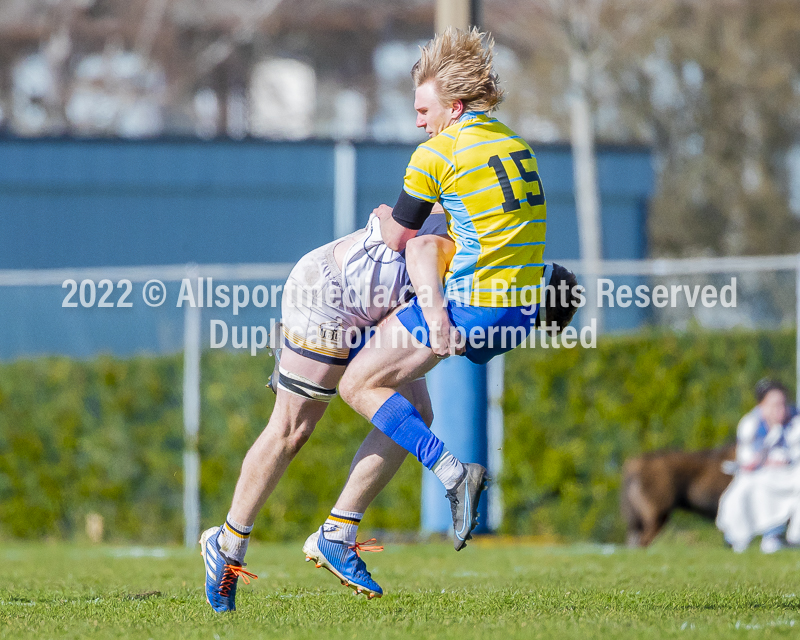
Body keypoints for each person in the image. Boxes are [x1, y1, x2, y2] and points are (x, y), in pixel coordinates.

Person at [301, 27, 580, 596]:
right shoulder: (512, 142)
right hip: (518, 312)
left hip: (474, 306)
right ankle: (338, 530)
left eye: (424, 109)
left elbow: (402, 237)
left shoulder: (437, 154)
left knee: (357, 385)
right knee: (405, 398)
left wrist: (385, 224)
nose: (419, 121)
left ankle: (455, 473)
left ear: (453, 107)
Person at [200, 208, 451, 611]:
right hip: (333, 296)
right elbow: (393, 228)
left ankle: (337, 533)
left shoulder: (483, 193)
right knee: (291, 429)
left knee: (415, 413)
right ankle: (227, 544)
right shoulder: (443, 168)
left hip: (385, 308)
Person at [716, 379, 800, 553]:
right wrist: (763, 460)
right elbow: (746, 458)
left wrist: (784, 459)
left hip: (790, 474)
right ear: (762, 405)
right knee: (741, 492)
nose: (780, 409)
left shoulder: (795, 421)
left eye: (783, 404)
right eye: (775, 405)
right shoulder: (750, 424)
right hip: (759, 475)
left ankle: (788, 537)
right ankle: (739, 538)